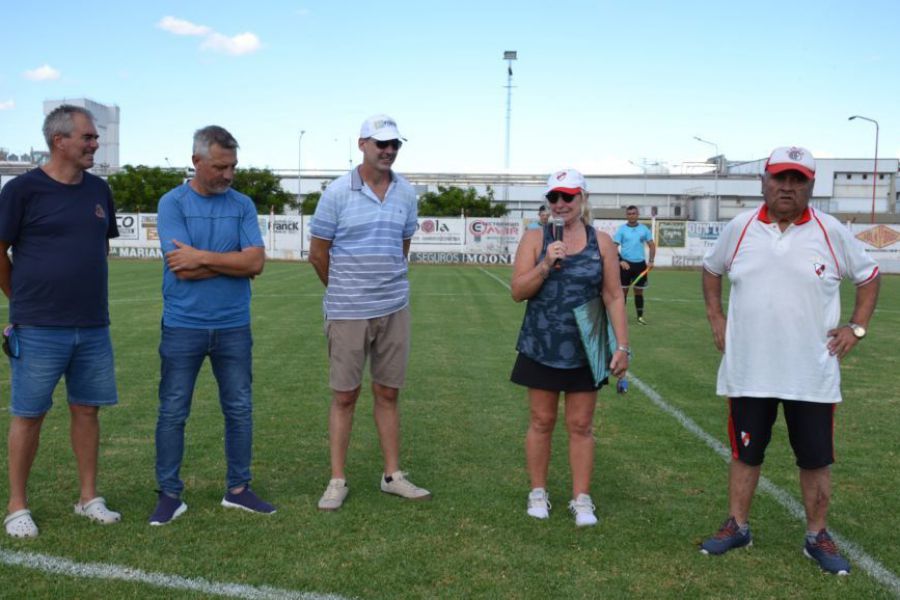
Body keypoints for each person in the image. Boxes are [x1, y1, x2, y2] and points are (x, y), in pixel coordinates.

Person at [699, 146, 880, 575]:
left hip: (810, 373)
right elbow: (711, 270)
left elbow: (869, 276)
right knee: (746, 453)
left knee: (815, 458)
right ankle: (738, 526)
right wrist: (716, 316)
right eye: (780, 178)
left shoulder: (831, 231)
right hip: (749, 370)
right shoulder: (741, 227)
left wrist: (856, 327)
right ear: (763, 182)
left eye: (797, 180)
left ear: (811, 187)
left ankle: (816, 535)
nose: (787, 187)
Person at [0, 105, 121, 538]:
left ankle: (89, 497)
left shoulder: (98, 190)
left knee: (87, 411)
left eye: (94, 137)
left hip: (92, 326)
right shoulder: (22, 190)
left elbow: (100, 249)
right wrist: (24, 300)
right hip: (38, 326)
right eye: (87, 137)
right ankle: (17, 506)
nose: (95, 144)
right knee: (29, 414)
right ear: (60, 141)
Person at [149, 125, 274, 525]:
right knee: (173, 410)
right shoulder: (172, 203)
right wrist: (231, 262)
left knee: (239, 409)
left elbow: (255, 263)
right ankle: (169, 494)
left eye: (233, 166)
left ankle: (239, 490)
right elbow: (180, 269)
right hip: (183, 325)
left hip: (234, 325)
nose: (228, 175)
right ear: (196, 162)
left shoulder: (242, 205)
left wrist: (204, 258)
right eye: (220, 167)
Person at [309, 114, 429, 511]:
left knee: (388, 392)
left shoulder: (406, 193)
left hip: (394, 307)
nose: (389, 151)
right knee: (345, 396)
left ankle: (392, 475)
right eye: (381, 143)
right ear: (361, 144)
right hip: (348, 312)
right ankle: (337, 479)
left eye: (395, 144)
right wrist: (347, 291)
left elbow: (403, 246)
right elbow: (318, 254)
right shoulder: (337, 192)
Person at [510, 169, 630, 527]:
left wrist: (622, 345)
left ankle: (581, 498)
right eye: (554, 198)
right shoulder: (535, 238)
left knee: (581, 425)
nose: (561, 204)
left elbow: (613, 295)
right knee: (541, 420)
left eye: (568, 197)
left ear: (583, 199)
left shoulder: (602, 242)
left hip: (585, 344)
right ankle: (538, 492)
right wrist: (546, 263)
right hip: (542, 343)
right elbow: (518, 291)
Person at [613, 205, 655, 326]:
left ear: (638, 215)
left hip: (640, 266)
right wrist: (621, 260)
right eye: (629, 214)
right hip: (625, 265)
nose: (631, 215)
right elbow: (614, 247)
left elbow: (651, 245)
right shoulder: (621, 229)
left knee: (639, 292)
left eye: (634, 213)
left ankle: (640, 317)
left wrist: (651, 261)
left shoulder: (644, 229)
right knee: (623, 292)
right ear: (627, 215)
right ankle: (620, 318)